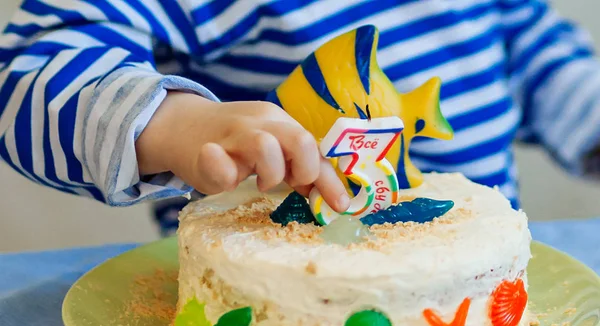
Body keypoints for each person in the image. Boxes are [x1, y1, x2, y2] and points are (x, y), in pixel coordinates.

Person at [0, 0, 598, 237]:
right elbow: (31, 74)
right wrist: (178, 126)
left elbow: (536, 53)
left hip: (480, 305)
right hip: (279, 318)